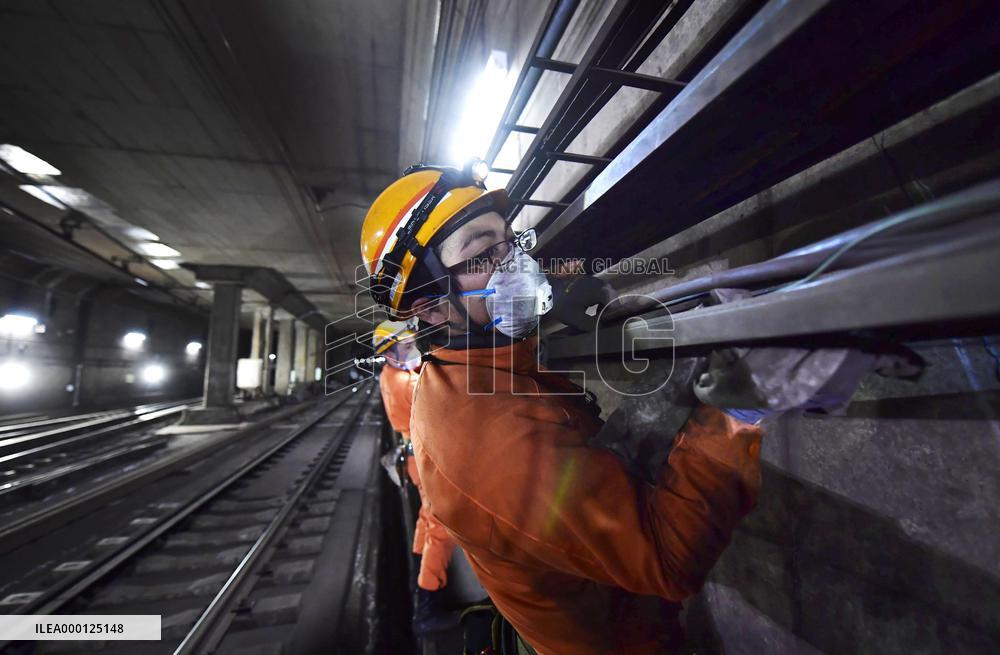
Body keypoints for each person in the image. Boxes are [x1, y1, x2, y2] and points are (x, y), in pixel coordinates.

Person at [360, 162, 763, 654]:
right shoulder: (485, 444)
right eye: (484, 252)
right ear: (428, 306)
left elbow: (506, 286)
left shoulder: (472, 359)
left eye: (509, 241)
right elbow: (668, 557)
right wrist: (735, 411)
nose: (516, 266)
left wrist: (552, 290)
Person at [373, 320, 458, 634]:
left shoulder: (390, 376)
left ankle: (419, 578)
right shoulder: (407, 383)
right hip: (424, 457)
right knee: (442, 527)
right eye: (407, 346)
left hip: (413, 457)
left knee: (426, 519)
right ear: (391, 351)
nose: (413, 349)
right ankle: (428, 603)